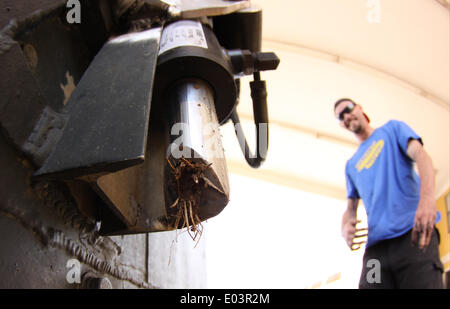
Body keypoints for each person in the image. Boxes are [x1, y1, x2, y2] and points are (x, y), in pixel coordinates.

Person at [334, 98, 444, 289]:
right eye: (340, 117)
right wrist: (345, 228)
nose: (346, 116)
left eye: (348, 109)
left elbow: (421, 156)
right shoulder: (351, 165)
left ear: (360, 108)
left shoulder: (392, 130)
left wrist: (427, 200)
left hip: (413, 237)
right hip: (376, 251)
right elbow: (350, 208)